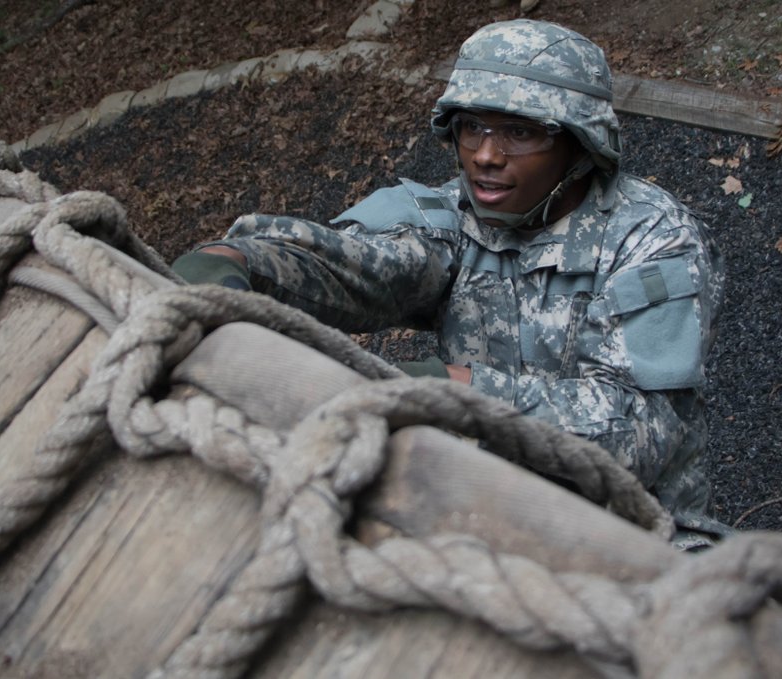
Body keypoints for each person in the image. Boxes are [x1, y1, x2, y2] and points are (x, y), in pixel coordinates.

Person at [173, 19, 730, 547]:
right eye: (473, 127)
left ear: (579, 147)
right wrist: (247, 260)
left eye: (520, 132)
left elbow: (643, 433)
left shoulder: (654, 242)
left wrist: (459, 392)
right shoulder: (451, 216)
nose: (487, 155)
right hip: (473, 506)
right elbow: (371, 266)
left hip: (637, 533)